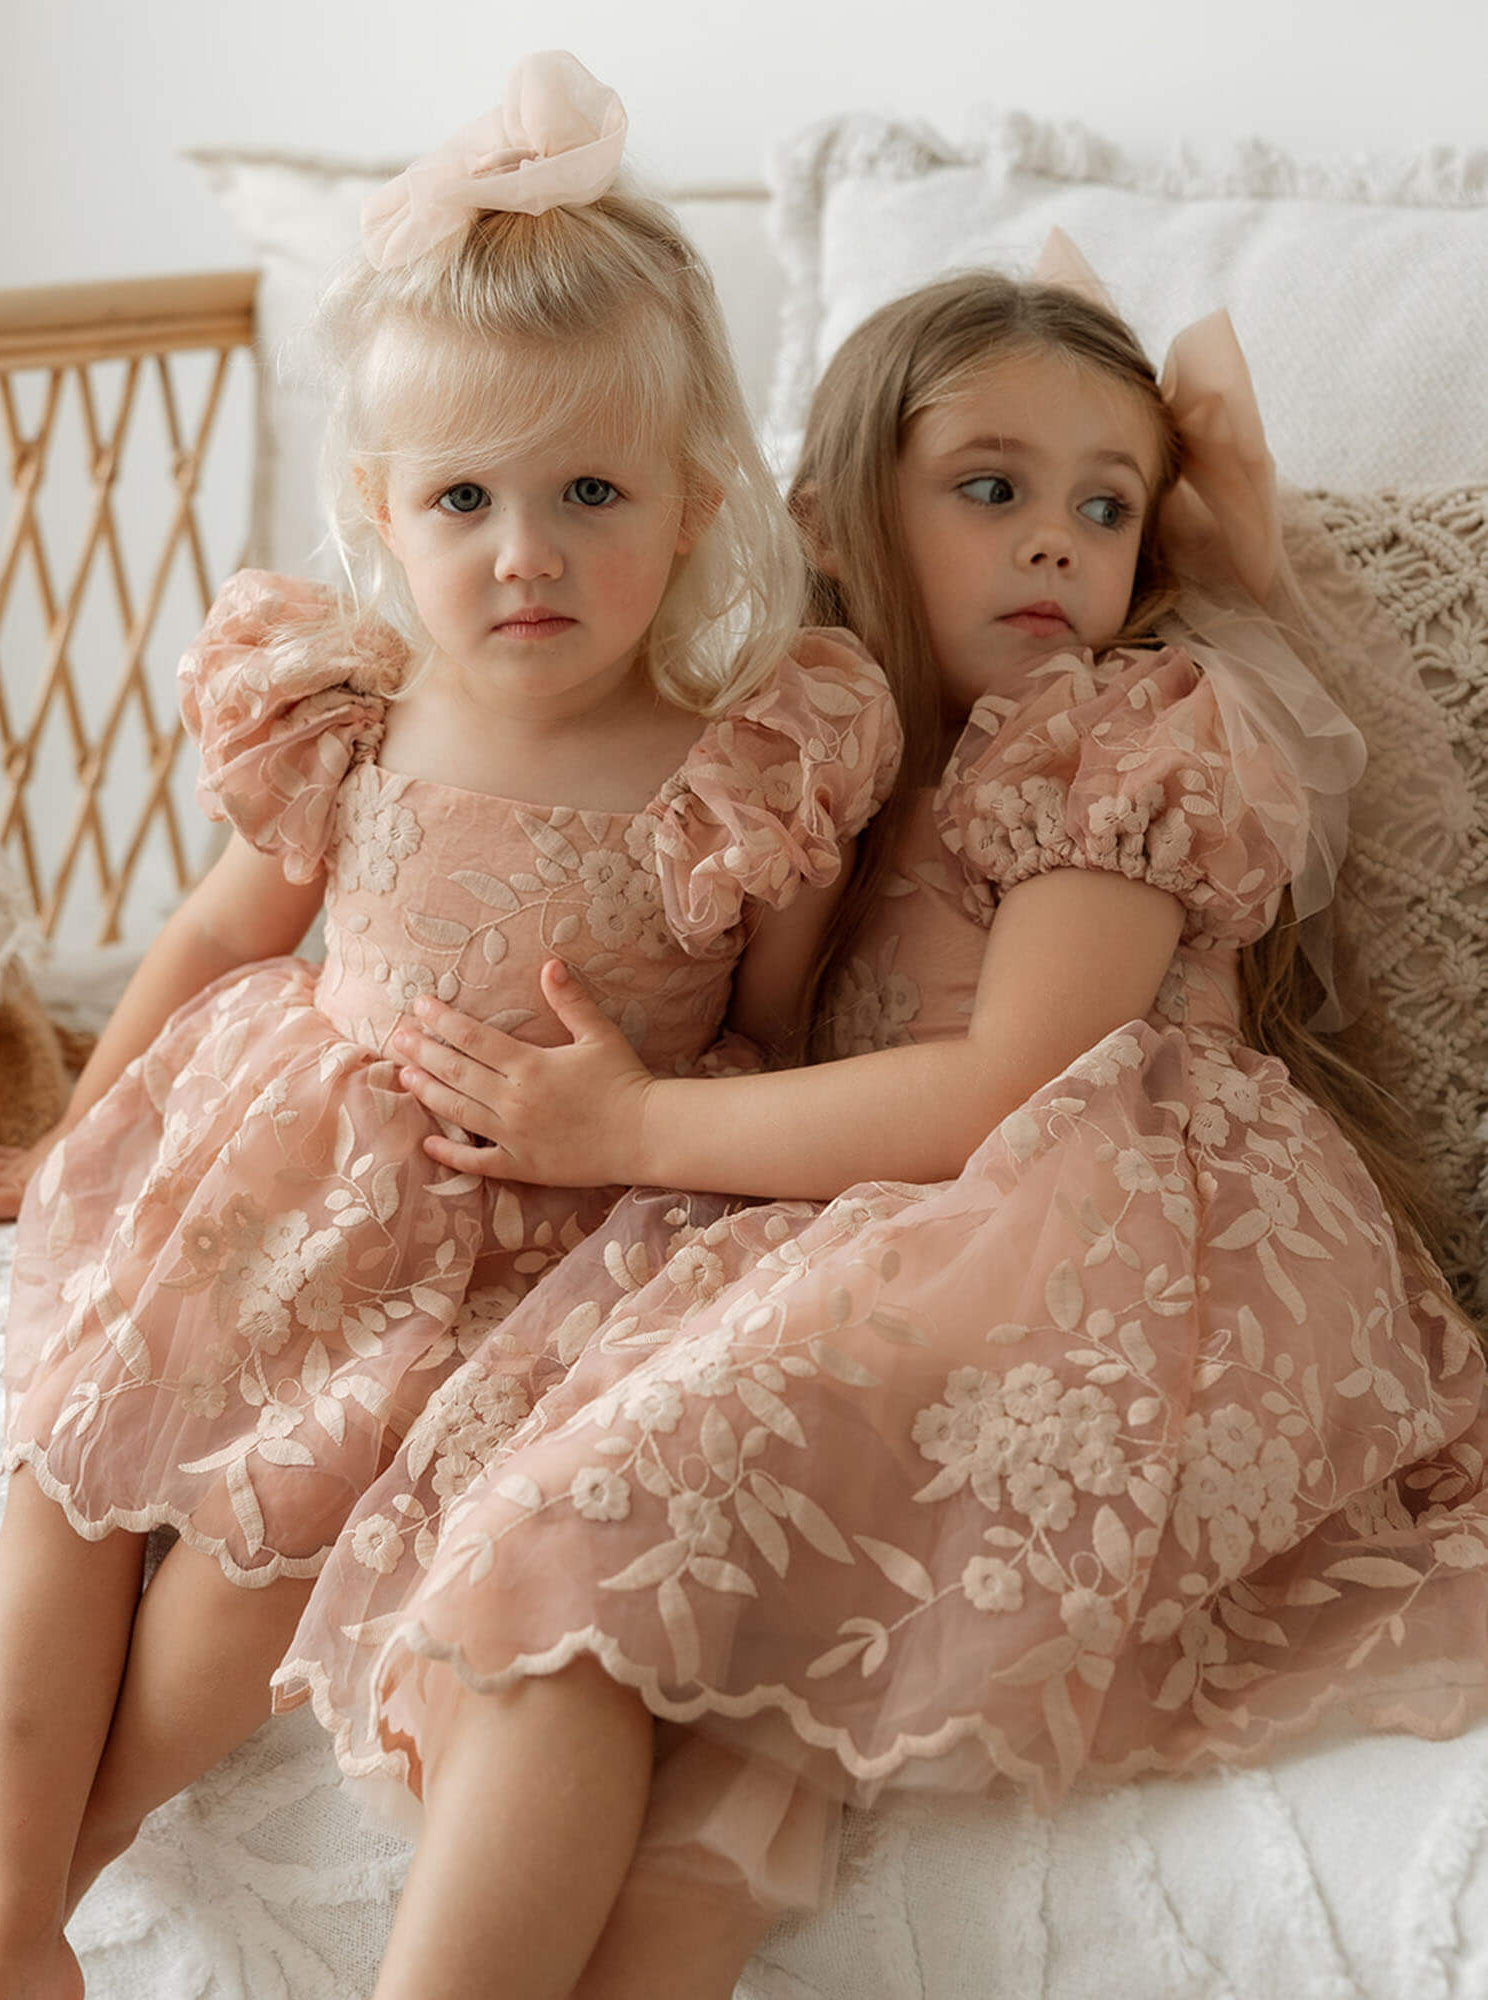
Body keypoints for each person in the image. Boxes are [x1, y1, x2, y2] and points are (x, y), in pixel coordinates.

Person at [275, 231, 1487, 2000]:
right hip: (880, 1232)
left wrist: (620, 1131)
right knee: (604, 1638)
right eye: (991, 487)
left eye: (1107, 504)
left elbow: (1014, 1094)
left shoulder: (1127, 727)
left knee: (595, 1532)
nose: (1057, 540)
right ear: (838, 516)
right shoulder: (811, 748)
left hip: (1110, 1241)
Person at [0, 53, 902, 2000]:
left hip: (495, 1235)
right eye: (465, 496)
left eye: (589, 491)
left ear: (693, 499)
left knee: (247, 1569)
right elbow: (222, 929)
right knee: (72, 1456)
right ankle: (4, 1913)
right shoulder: (362, 705)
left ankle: (72, 1863)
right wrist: (83, 1138)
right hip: (264, 1161)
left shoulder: (746, 762)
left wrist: (641, 1116)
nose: (526, 550)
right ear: (384, 511)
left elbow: (774, 1040)